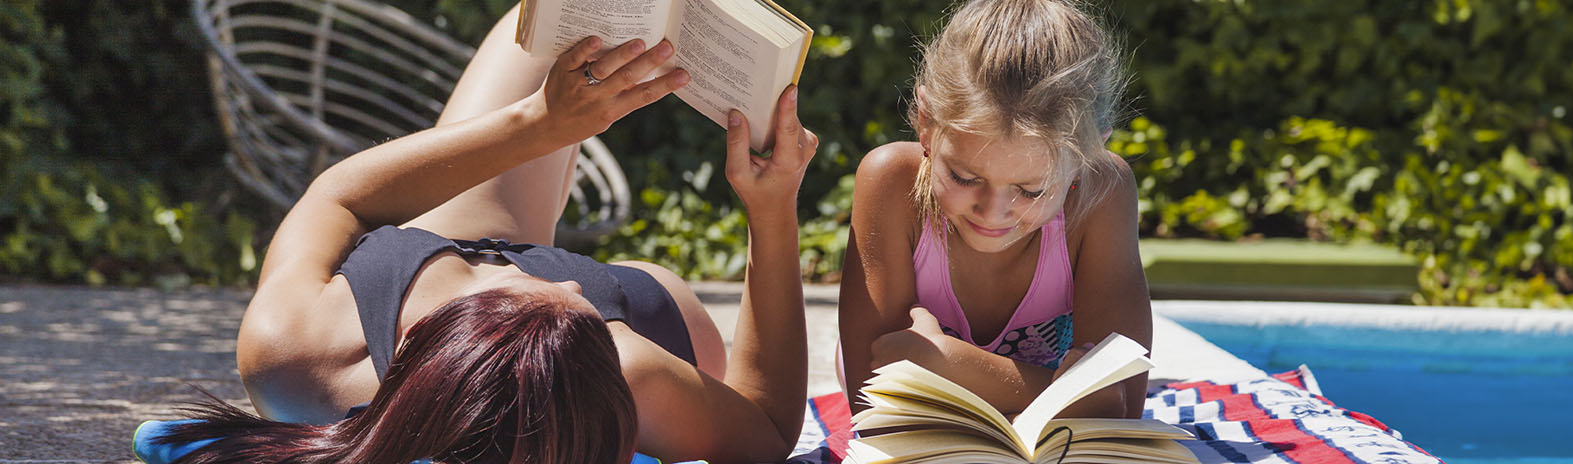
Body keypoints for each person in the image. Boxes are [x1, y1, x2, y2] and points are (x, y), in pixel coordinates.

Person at [144, 4, 821, 462]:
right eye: (581, 301)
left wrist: (540, 124)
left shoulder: (294, 352)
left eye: (512, 283)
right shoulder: (632, 364)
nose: (542, 268)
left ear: (434, 339)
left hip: (461, 256)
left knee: (559, 16)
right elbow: (765, 426)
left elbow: (339, 197)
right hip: (612, 346)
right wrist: (772, 211)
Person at [836, 0, 1149, 419]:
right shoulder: (891, 181)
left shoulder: (1102, 192)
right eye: (965, 178)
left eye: (1031, 190)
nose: (992, 211)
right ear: (926, 123)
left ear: (1087, 156)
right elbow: (875, 409)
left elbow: (1120, 409)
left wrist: (945, 360)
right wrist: (1066, 396)